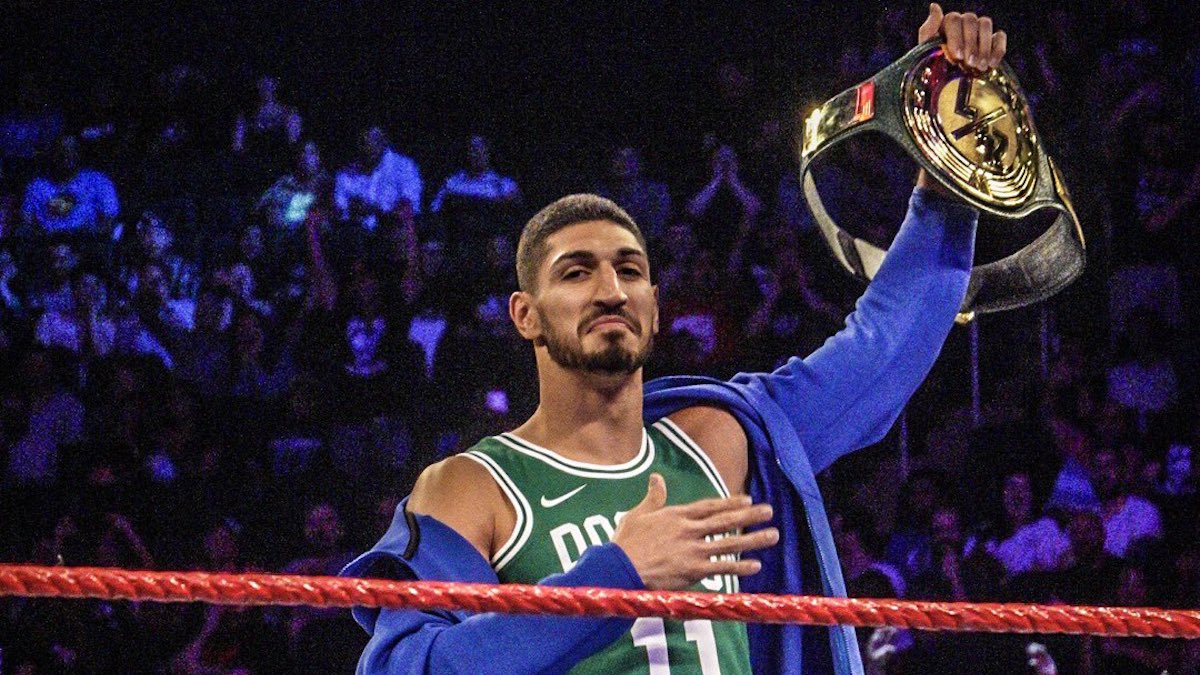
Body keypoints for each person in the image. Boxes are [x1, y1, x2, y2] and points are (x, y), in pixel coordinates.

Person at [342, 6, 1000, 674]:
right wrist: (617, 574)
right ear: (525, 315)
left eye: (630, 270)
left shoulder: (720, 438)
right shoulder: (474, 487)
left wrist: (948, 131)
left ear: (655, 308)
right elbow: (405, 666)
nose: (611, 290)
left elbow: (882, 349)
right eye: (576, 272)